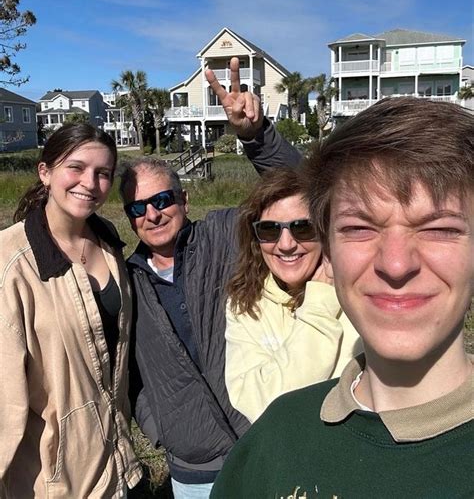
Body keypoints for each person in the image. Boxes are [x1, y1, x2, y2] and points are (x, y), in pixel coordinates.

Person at [211, 97, 474, 498]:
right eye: (359, 228)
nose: (396, 263)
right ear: (331, 251)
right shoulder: (275, 441)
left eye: (438, 228)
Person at [121, 57, 301, 497]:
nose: (153, 213)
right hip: (193, 467)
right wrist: (162, 426)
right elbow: (129, 374)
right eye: (137, 208)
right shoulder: (125, 281)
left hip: (265, 441)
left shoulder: (225, 233)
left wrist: (256, 137)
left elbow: (298, 193)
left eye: (162, 198)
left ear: (183, 198)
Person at [0, 123, 142, 498]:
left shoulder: (110, 244)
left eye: (102, 173)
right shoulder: (12, 264)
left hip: (116, 467)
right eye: (75, 168)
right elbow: (4, 399)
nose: (89, 183)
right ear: (45, 172)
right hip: (53, 481)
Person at [225, 167, 361, 422]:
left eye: (302, 228)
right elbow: (262, 404)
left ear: (325, 231)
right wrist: (319, 307)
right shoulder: (245, 302)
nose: (286, 244)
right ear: (255, 238)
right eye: (269, 230)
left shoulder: (360, 295)